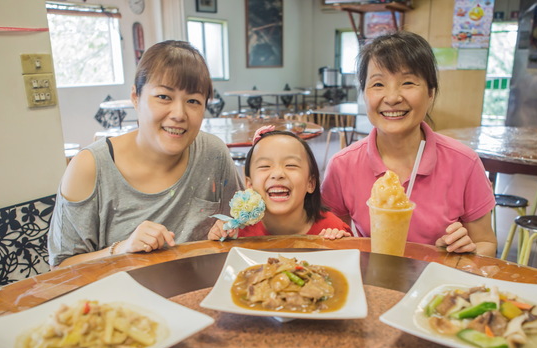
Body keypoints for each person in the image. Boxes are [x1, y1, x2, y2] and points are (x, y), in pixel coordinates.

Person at [48, 41, 244, 268]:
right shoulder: (90, 167)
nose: (179, 114)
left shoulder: (214, 154)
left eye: (193, 101)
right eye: (164, 97)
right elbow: (61, 268)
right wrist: (122, 249)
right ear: (135, 97)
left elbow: (238, 225)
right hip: (118, 301)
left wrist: (228, 230)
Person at [321, 31, 497, 256]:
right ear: (364, 94)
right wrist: (335, 238)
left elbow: (486, 243)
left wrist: (467, 252)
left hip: (437, 283)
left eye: (408, 82)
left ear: (431, 92)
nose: (392, 97)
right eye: (378, 84)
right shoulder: (342, 165)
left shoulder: (465, 162)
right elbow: (339, 236)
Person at [208, 127, 351, 240]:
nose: (278, 174)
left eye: (290, 165)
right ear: (249, 184)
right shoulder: (238, 232)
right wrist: (219, 239)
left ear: (311, 183)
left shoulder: (332, 229)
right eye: (265, 166)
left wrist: (340, 244)